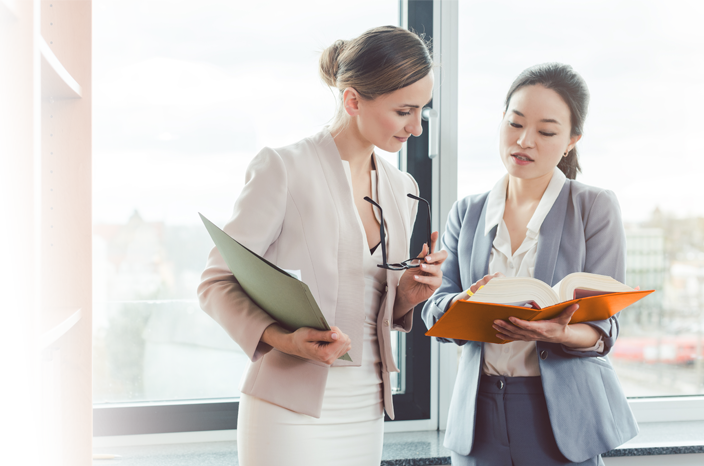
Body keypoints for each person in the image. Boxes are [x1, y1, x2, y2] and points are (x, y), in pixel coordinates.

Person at [197, 25, 448, 465]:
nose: (416, 127)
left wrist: (408, 295)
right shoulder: (284, 168)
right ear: (353, 101)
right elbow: (215, 284)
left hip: (366, 404)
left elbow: (371, 311)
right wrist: (284, 339)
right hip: (287, 406)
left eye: (422, 110)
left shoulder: (401, 187)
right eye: (405, 111)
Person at [422, 62, 639, 465]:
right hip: (478, 412)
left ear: (572, 140)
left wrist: (560, 334)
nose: (524, 141)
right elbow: (434, 308)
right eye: (515, 123)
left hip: (560, 418)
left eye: (546, 131)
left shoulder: (594, 207)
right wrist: (461, 306)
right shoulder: (466, 212)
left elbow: (605, 327)